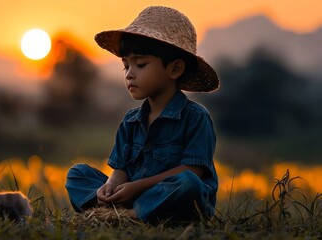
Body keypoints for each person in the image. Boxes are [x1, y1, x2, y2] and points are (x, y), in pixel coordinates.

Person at [65, 6, 220, 224]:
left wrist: (137, 187)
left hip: (173, 198)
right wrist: (111, 185)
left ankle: (132, 215)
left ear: (174, 69)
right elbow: (122, 170)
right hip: (133, 194)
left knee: (188, 184)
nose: (129, 74)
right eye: (125, 65)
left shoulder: (196, 118)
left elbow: (193, 171)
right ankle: (114, 210)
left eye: (140, 64)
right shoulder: (130, 121)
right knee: (78, 174)